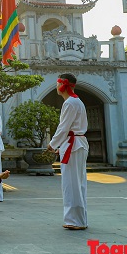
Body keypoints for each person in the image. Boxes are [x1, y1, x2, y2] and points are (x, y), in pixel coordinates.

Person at [47, 73, 88, 230]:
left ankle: (75, 220)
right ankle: (78, 218)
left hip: (74, 145)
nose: (56, 86)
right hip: (77, 144)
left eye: (57, 83)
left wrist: (52, 144)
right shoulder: (76, 101)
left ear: (63, 85)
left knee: (72, 184)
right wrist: (60, 146)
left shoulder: (70, 103)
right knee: (78, 183)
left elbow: (64, 127)